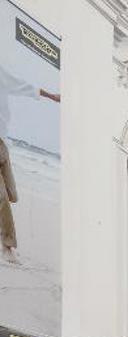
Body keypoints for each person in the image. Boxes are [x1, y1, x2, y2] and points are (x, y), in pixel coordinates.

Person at [0, 61, 58, 265]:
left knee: (11, 194)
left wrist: (52, 96)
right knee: (1, 197)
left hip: (2, 143)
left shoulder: (1, 73)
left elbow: (23, 86)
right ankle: (7, 247)